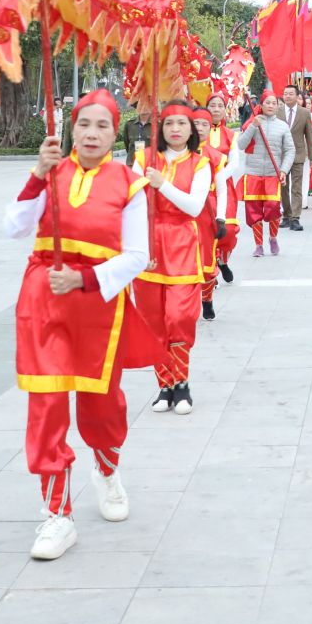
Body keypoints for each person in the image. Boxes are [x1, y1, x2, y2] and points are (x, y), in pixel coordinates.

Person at [4, 90, 163, 561]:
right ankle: (57, 515)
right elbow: (13, 226)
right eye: (84, 124)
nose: (91, 134)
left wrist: (86, 277)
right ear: (72, 128)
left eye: (102, 126)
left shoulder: (129, 184)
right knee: (46, 405)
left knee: (102, 406)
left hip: (97, 304)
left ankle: (107, 468)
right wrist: (36, 175)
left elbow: (138, 256)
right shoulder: (50, 171)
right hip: (44, 300)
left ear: (116, 134)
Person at [134, 101, 211, 412]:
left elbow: (193, 207)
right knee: (153, 322)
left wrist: (161, 184)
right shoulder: (143, 160)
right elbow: (132, 205)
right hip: (149, 246)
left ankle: (182, 384)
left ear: (191, 129)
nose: (175, 129)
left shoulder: (201, 164)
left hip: (182, 244)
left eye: (182, 123)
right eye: (169, 123)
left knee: (178, 317)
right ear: (160, 128)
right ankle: (164, 386)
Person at [235, 90, 294, 256]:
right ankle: (258, 245)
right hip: (252, 174)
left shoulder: (282, 126)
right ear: (261, 104)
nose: (270, 106)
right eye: (267, 102)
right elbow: (241, 145)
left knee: (273, 208)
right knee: (253, 212)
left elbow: (290, 150)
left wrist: (283, 170)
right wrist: (253, 127)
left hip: (272, 174)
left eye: (273, 103)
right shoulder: (251, 123)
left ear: (277, 106)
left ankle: (273, 237)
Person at [191, 104, 235, 320]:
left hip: (206, 213)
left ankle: (206, 300)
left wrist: (220, 218)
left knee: (207, 263)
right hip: (181, 214)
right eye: (195, 123)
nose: (199, 128)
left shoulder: (215, 156)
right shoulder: (175, 153)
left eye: (204, 124)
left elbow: (222, 189)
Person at [278, 85, 312, 231]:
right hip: (281, 156)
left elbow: (309, 135)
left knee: (296, 187)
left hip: (298, 154)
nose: (287, 96)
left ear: (296, 96)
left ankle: (295, 218)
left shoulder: (304, 113)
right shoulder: (278, 112)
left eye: (290, 94)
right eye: (285, 93)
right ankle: (287, 215)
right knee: (283, 187)